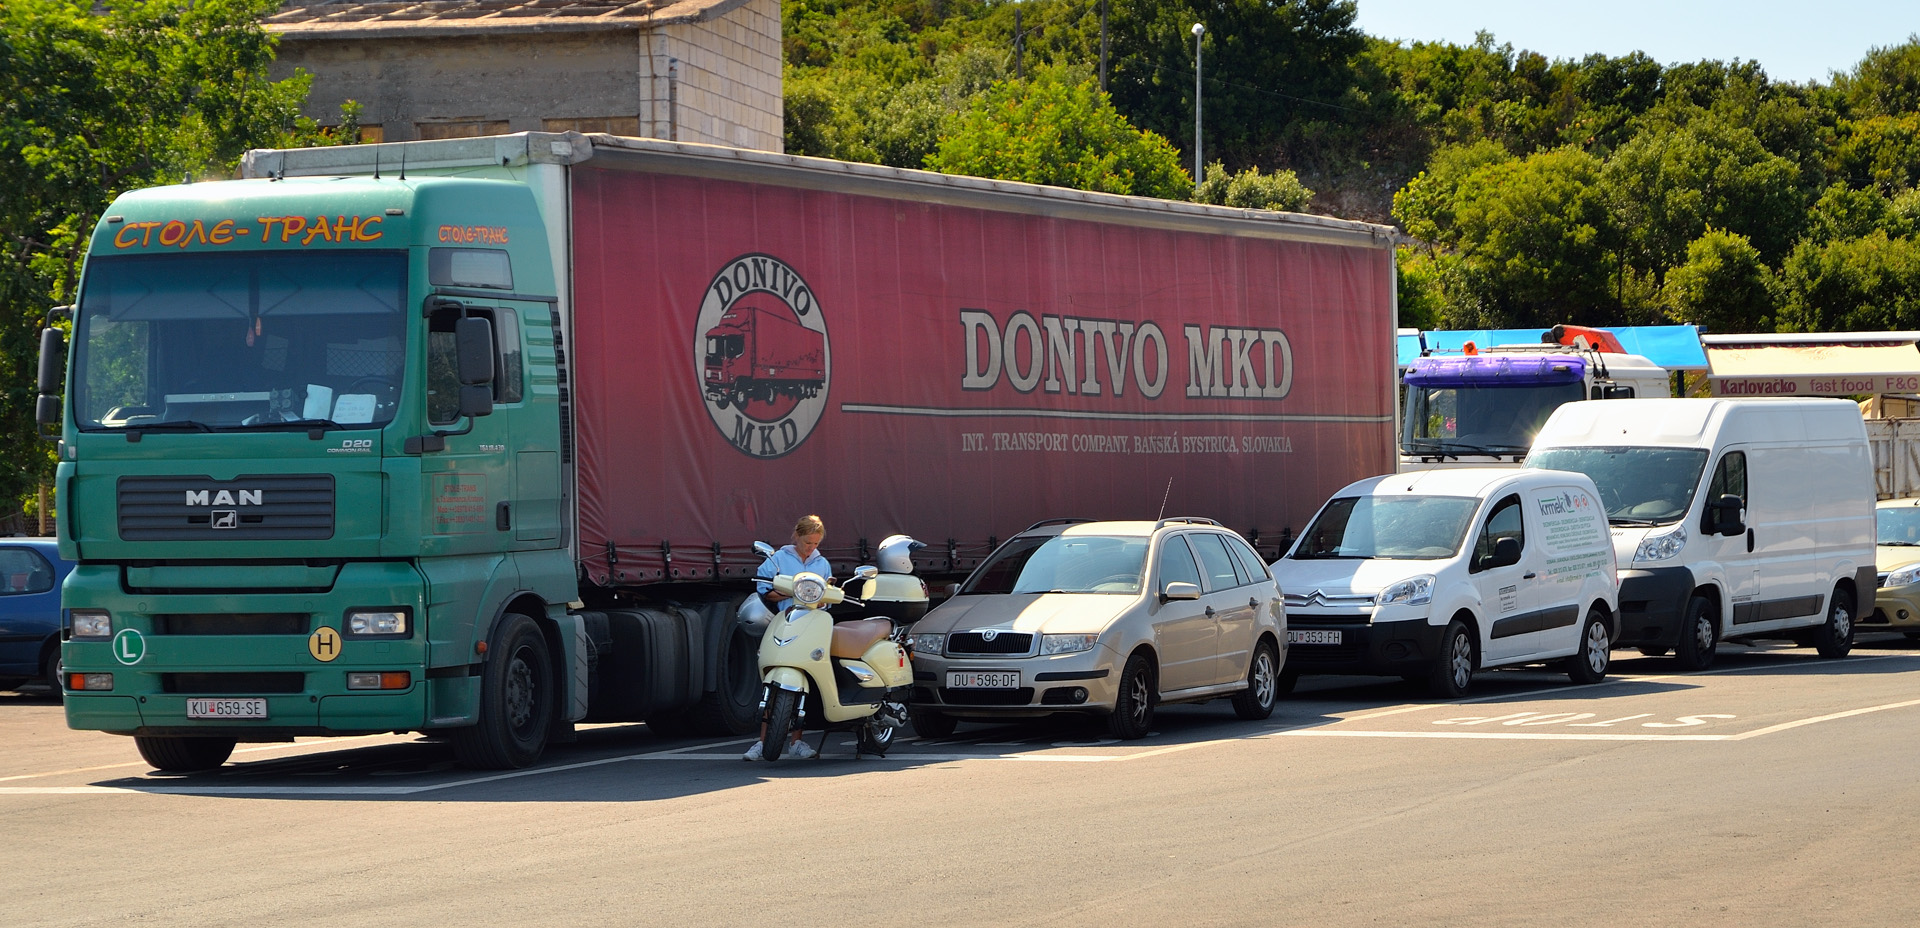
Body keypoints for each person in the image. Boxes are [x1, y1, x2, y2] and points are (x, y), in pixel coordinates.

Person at [744, 514, 831, 761]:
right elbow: (764, 589)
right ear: (797, 536)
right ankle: (762, 743)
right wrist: (788, 593)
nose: (811, 548)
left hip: (809, 628)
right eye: (807, 542)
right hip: (784, 624)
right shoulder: (779, 559)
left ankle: (797, 742)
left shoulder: (822, 564)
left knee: (804, 683)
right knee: (774, 685)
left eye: (815, 543)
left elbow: (827, 595)